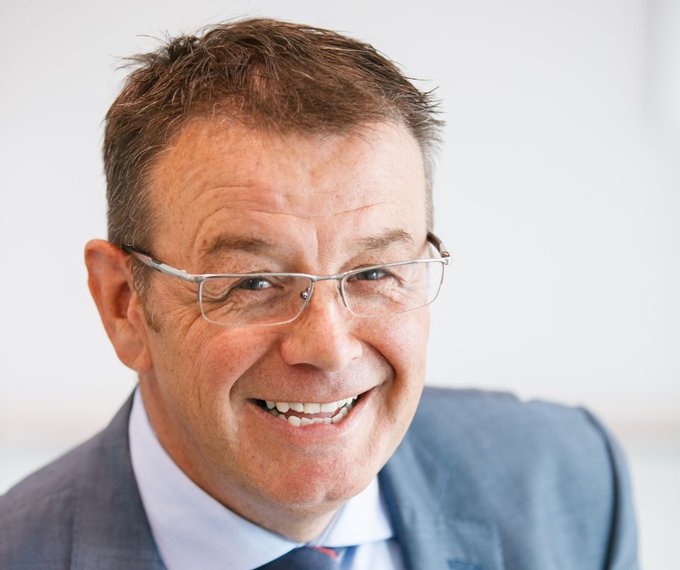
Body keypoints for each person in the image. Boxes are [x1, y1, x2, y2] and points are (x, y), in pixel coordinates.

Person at [0, 18, 638, 570]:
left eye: (374, 273)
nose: (328, 348)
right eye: (254, 283)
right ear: (125, 305)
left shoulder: (569, 484)